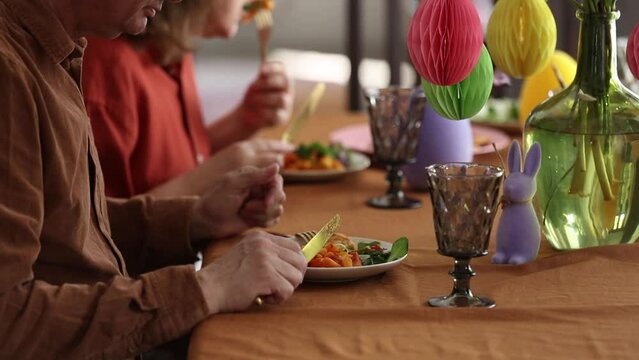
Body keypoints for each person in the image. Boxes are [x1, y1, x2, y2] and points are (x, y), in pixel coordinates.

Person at [0, 0, 306, 358]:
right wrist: (207, 288)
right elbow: (8, 319)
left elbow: (67, 231)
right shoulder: (9, 74)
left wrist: (194, 220)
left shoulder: (54, 50)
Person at [82, 0, 295, 198]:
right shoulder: (105, 69)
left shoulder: (173, 47)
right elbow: (98, 228)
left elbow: (176, 163)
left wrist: (244, 120)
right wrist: (214, 173)